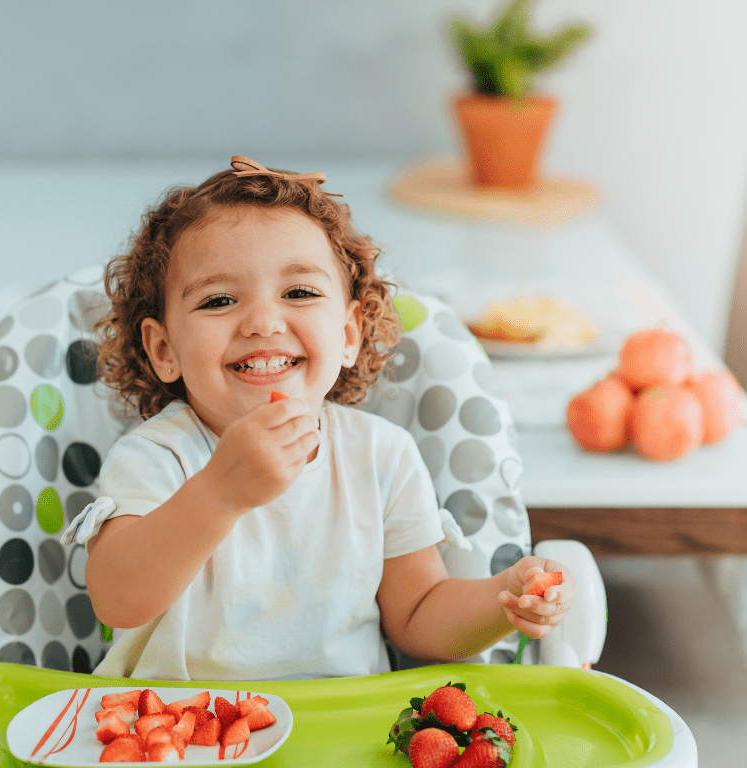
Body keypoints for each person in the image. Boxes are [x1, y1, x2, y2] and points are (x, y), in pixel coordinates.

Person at [61, 156, 575, 680]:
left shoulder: (381, 456)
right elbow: (118, 600)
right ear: (163, 348)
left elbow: (418, 614)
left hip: (342, 739)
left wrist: (501, 600)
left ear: (349, 334)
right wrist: (221, 492)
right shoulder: (155, 457)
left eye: (300, 293)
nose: (262, 322)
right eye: (219, 300)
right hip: (180, 738)